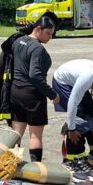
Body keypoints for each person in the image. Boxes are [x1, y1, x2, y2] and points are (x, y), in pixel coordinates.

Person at [52, 59, 93, 182]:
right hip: (63, 82)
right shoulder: (87, 77)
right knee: (80, 119)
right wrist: (72, 129)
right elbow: (73, 102)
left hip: (76, 80)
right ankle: (72, 160)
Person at [9, 16, 60, 162]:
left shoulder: (18, 41)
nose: (50, 37)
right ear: (38, 29)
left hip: (16, 91)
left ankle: (10, 165)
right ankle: (36, 168)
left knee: (16, 134)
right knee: (35, 136)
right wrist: (52, 95)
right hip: (32, 95)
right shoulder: (37, 48)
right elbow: (35, 76)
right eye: (48, 33)